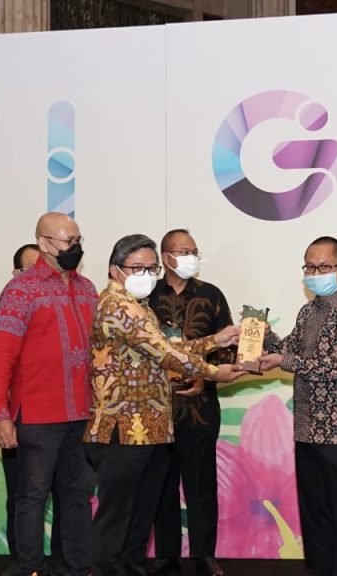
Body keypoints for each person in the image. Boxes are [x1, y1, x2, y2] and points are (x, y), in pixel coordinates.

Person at [84, 234, 245, 576]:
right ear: (115, 269)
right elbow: (165, 353)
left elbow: (164, 348)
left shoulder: (139, 305)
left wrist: (215, 340)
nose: (145, 275)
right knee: (117, 518)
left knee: (139, 517)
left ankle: (130, 569)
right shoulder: (118, 307)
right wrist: (215, 372)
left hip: (150, 427)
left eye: (150, 268)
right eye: (137, 268)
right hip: (123, 428)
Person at [257, 236, 337, 576]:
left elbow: (332, 367)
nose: (315, 274)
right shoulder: (308, 311)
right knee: (315, 515)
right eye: (309, 267)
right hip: (308, 428)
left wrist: (284, 360)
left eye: (323, 267)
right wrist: (263, 335)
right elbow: (290, 350)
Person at [0, 213, 97, 576]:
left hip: (81, 413)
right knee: (32, 496)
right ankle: (29, 567)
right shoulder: (20, 290)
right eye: (68, 242)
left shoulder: (87, 288)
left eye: (78, 241)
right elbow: (1, 355)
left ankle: (77, 567)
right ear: (45, 243)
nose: (75, 248)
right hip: (36, 415)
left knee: (77, 495)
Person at [148, 229, 233, 576]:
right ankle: (166, 555)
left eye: (193, 251)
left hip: (200, 411)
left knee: (201, 487)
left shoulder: (211, 295)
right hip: (157, 411)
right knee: (160, 486)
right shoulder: (146, 297)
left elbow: (227, 349)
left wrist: (204, 377)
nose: (190, 257)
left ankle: (204, 555)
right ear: (165, 257)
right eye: (183, 251)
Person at [0, 243, 66, 576]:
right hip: (22, 418)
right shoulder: (7, 304)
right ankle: (23, 563)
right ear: (16, 273)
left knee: (67, 494)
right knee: (24, 493)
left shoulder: (70, 299)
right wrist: (4, 414)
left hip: (63, 418)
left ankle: (62, 562)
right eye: (30, 269)